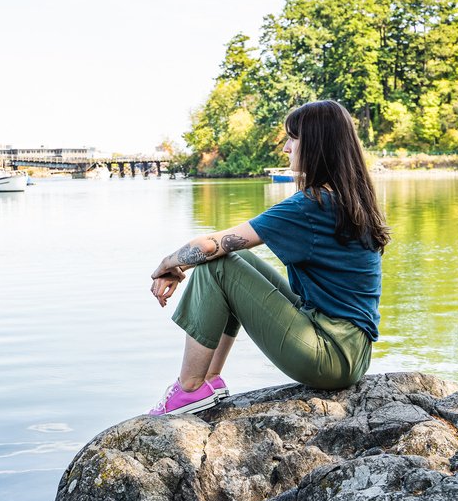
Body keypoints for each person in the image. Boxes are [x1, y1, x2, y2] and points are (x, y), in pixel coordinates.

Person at [147, 100, 390, 416]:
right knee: (235, 261)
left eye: (293, 138)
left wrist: (168, 264)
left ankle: (190, 388)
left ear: (316, 145)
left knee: (217, 265)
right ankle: (210, 380)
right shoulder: (347, 198)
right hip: (352, 353)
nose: (287, 148)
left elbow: (210, 246)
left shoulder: (311, 205)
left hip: (328, 356)